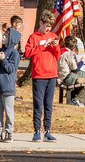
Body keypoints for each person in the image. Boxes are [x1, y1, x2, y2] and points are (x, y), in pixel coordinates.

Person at [24, 10, 61, 142]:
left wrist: (55, 47)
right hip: (39, 75)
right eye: (46, 26)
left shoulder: (53, 36)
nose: (48, 29)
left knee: (48, 105)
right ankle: (36, 131)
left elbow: (58, 56)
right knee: (38, 104)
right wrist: (42, 46)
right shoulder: (33, 37)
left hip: (51, 75)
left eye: (50, 26)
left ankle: (47, 130)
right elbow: (27, 53)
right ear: (41, 23)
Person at [0, 27, 21, 143]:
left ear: (12, 39)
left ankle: (9, 133)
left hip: (8, 87)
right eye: (3, 35)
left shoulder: (14, 53)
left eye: (6, 35)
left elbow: (11, 69)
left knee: (9, 110)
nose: (3, 37)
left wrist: (3, 60)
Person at [57, 36, 85, 108]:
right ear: (74, 47)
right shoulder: (68, 53)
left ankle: (78, 100)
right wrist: (82, 61)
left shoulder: (61, 51)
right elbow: (75, 69)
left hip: (62, 77)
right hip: (69, 77)